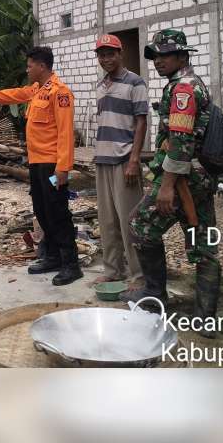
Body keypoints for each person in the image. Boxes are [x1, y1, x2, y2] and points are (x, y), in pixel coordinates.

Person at [123, 29, 221, 326]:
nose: (158, 61)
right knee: (203, 243)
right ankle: (206, 318)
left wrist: (166, 186)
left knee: (140, 226)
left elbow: (180, 141)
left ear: (182, 55)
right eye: (155, 55)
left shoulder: (182, 89)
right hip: (200, 176)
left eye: (165, 55)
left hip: (183, 178)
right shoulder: (191, 83)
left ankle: (156, 296)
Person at [0, 47, 83, 286]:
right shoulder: (36, 91)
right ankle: (52, 256)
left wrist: (63, 168)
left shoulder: (60, 93)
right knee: (42, 210)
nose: (27, 69)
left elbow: (65, 134)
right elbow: (13, 95)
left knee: (58, 212)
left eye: (29, 65)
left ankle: (71, 265)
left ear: (41, 67)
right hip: (36, 164)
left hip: (53, 166)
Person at [92, 34, 147, 289]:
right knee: (107, 220)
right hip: (102, 159)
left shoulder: (135, 82)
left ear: (120, 53)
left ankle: (139, 273)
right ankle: (113, 269)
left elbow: (141, 122)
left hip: (124, 160)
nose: (106, 58)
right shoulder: (100, 85)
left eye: (110, 53)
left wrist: (134, 159)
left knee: (129, 221)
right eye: (102, 54)